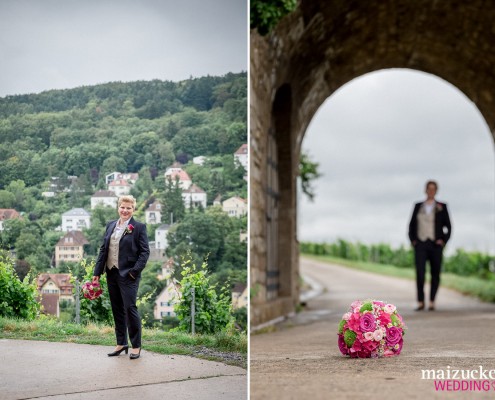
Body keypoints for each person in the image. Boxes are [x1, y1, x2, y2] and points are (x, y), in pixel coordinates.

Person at [92, 195, 150, 359]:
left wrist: (134, 272)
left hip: (129, 275)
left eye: (128, 208)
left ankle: (136, 345)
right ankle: (121, 343)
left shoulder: (138, 227)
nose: (125, 210)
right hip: (112, 273)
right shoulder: (110, 225)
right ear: (118, 208)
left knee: (130, 308)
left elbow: (145, 253)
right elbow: (104, 250)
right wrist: (97, 273)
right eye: (122, 207)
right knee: (117, 309)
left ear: (133, 209)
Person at [408, 180, 451, 311]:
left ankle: (432, 301)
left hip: (435, 245)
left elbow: (448, 227)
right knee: (420, 273)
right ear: (425, 190)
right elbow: (411, 226)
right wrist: (414, 241)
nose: (431, 191)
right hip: (420, 244)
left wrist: (443, 241)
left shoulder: (442, 206)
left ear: (436, 191)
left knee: (435, 273)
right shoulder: (418, 206)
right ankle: (421, 301)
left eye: (433, 189)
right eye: (429, 189)